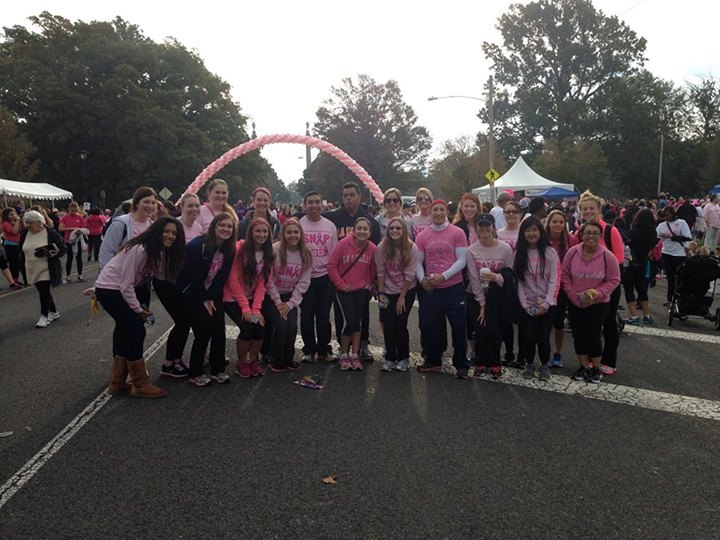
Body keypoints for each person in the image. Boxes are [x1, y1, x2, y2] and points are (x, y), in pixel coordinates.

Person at [95, 216, 185, 398]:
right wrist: (139, 310)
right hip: (111, 290)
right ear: (156, 232)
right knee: (136, 330)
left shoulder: (156, 251)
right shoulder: (140, 249)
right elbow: (125, 284)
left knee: (125, 330)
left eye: (174, 233)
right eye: (166, 231)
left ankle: (117, 382)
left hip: (112, 288)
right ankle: (139, 383)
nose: (170, 236)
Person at [176, 213, 236, 387]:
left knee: (219, 327)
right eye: (222, 225)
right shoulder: (198, 246)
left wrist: (211, 297)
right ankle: (195, 372)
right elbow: (193, 277)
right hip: (191, 292)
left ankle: (218, 369)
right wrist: (203, 298)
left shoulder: (229, 249)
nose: (225, 229)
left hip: (211, 292)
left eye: (229, 227)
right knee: (204, 328)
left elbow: (221, 277)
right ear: (214, 227)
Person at [326, 182, 381, 361]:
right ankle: (343, 348)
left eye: (351, 195)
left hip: (362, 278)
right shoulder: (334, 218)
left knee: (362, 313)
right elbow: (312, 215)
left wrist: (372, 283)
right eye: (345, 195)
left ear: (359, 197)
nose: (348, 198)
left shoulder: (369, 220)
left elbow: (376, 253)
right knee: (342, 314)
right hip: (341, 277)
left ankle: (362, 345)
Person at [415, 199, 469, 378]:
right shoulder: (423, 235)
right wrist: (422, 279)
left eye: (441, 210)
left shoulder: (457, 232)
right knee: (429, 326)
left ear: (446, 211)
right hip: (432, 289)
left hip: (453, 288)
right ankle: (433, 358)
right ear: (430, 212)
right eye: (435, 210)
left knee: (459, 327)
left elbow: (462, 260)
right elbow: (417, 261)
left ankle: (461, 363)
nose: (438, 213)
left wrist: (444, 276)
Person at [561, 221, 621, 384]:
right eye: (587, 233)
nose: (591, 236)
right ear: (581, 235)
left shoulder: (607, 256)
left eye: (595, 233)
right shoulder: (573, 253)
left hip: (598, 303)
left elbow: (614, 279)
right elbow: (565, 274)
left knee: (593, 334)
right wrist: (572, 294)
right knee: (578, 334)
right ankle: (583, 366)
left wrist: (598, 293)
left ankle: (595, 367)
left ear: (600, 236)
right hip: (575, 301)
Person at [575, 190, 624, 376]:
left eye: (591, 208)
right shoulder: (579, 232)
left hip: (607, 285)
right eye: (584, 209)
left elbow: (619, 259)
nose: (587, 211)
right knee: (588, 324)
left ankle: (609, 360)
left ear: (598, 209)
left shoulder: (610, 231)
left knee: (609, 323)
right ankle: (588, 358)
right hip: (584, 285)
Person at [223, 218, 274, 378]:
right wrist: (245, 307)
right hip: (232, 297)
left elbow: (262, 283)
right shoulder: (240, 249)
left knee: (259, 328)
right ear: (251, 232)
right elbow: (233, 279)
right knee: (246, 328)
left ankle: (253, 361)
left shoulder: (268, 253)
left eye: (265, 231)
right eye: (257, 231)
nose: (261, 234)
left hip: (252, 297)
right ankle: (242, 362)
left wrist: (256, 309)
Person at [466, 213, 514, 379]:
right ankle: (480, 361)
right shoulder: (471, 250)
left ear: (494, 227)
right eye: (481, 225)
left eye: (488, 225)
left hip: (497, 296)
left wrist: (496, 277)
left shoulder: (505, 248)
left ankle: (494, 362)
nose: (484, 228)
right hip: (476, 296)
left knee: (494, 330)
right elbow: (472, 278)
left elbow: (509, 274)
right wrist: (481, 303)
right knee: (480, 329)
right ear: (476, 229)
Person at [328, 217, 377, 371]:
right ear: (353, 230)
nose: (362, 231)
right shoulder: (343, 244)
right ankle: (344, 353)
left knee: (357, 323)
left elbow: (372, 270)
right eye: (359, 228)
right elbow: (331, 265)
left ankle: (354, 354)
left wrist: (369, 286)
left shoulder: (372, 248)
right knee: (348, 321)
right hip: (345, 290)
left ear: (370, 232)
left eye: (365, 229)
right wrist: (341, 285)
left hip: (361, 290)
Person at [514, 216, 560, 381]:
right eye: (528, 230)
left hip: (548, 305)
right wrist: (525, 305)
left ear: (540, 231)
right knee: (528, 336)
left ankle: (544, 365)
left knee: (542, 337)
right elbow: (518, 282)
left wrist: (547, 303)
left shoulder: (550, 253)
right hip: (526, 304)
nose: (532, 233)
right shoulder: (518, 254)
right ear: (523, 233)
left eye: (535, 230)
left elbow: (555, 280)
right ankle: (529, 364)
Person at [266, 218, 312, 372]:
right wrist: (278, 302)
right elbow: (268, 278)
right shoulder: (275, 249)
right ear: (283, 234)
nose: (293, 235)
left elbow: (304, 282)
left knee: (292, 326)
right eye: (289, 232)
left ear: (301, 234)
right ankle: (276, 360)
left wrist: (291, 303)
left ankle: (288, 358)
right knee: (281, 325)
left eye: (296, 232)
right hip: (273, 295)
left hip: (290, 297)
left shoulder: (306, 253)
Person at [299, 191, 338, 362]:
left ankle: (324, 348)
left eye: (317, 202)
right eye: (310, 202)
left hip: (324, 277)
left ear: (322, 205)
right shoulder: (299, 224)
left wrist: (333, 277)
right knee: (306, 315)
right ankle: (308, 349)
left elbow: (334, 254)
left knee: (323, 315)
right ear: (304, 205)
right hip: (304, 277)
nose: (314, 205)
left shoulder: (330, 226)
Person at [375, 217, 418, 372]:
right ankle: (390, 358)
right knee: (388, 324)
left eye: (398, 228)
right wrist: (381, 294)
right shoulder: (382, 247)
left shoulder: (412, 247)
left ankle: (403, 357)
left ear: (404, 230)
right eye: (392, 228)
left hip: (406, 290)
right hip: (387, 290)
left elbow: (410, 274)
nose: (394, 231)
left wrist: (402, 297)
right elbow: (380, 272)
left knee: (400, 324)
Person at [19, 210, 66, 328]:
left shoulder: (51, 233)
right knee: (42, 290)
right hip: (31, 267)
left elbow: (62, 249)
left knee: (44, 290)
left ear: (40, 223)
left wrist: (49, 252)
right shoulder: (25, 232)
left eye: (31, 223)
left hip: (46, 267)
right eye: (26, 222)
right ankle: (54, 312)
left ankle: (44, 316)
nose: (28, 225)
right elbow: (21, 248)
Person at [544, 209, 577, 368]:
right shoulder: (542, 239)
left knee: (558, 323)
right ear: (548, 223)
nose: (557, 225)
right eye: (554, 222)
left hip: (562, 287)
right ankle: (545, 352)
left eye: (561, 222)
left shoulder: (570, 241)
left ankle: (557, 353)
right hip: (543, 286)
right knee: (544, 322)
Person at [624, 209, 658, 325]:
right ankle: (647, 315)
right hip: (643, 261)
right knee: (641, 288)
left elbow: (626, 241)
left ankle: (634, 316)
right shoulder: (653, 233)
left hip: (631, 261)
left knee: (629, 288)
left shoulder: (634, 231)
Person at [657, 206, 692, 307]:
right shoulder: (661, 225)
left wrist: (671, 237)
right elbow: (656, 237)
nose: (666, 217)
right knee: (670, 278)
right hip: (666, 253)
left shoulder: (681, 223)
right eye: (664, 216)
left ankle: (681, 298)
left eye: (668, 215)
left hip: (679, 254)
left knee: (680, 277)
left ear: (673, 214)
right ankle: (670, 299)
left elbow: (687, 237)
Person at [59, 201, 88, 283]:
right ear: (68, 209)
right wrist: (71, 229)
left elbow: (84, 229)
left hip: (78, 239)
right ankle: (68, 276)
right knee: (69, 258)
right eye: (72, 211)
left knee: (79, 258)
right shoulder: (65, 217)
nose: (73, 212)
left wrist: (80, 231)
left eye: (75, 211)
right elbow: (60, 228)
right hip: (68, 240)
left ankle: (80, 275)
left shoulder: (80, 218)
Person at [1, 207, 23, 288]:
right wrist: (17, 222)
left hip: (18, 244)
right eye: (11, 214)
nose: (13, 215)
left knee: (17, 263)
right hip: (10, 245)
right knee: (13, 263)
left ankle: (16, 279)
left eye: (14, 214)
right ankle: (13, 280)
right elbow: (14, 231)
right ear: (6, 216)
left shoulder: (15, 222)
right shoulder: (5, 223)